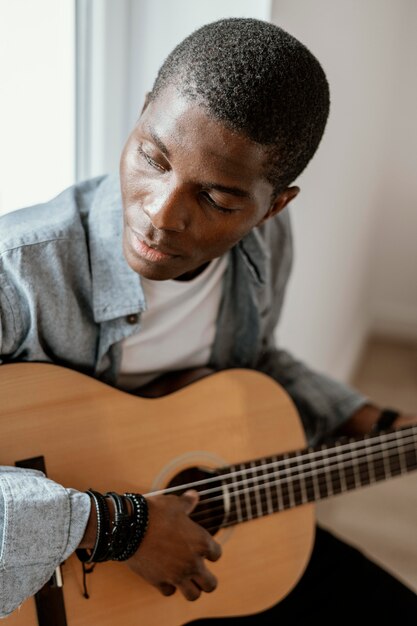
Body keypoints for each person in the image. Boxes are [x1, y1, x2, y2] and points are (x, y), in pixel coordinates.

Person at [0, 17, 416, 624]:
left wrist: (367, 418)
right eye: (152, 157)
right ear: (144, 112)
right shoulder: (17, 274)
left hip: (203, 553)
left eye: (217, 199)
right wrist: (123, 528)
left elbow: (251, 366)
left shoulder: (265, 249)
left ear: (273, 207)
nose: (161, 215)